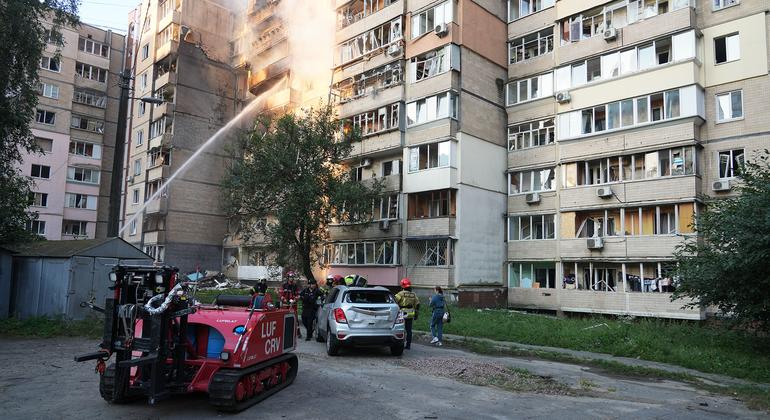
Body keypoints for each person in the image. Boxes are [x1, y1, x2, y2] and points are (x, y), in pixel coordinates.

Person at [394, 278, 419, 350]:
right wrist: (416, 314)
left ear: (402, 286)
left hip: (402, 314)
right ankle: (408, 345)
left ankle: (401, 343)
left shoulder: (400, 294)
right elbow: (417, 304)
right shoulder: (413, 294)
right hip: (410, 314)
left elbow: (395, 301)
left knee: (401, 329)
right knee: (409, 330)